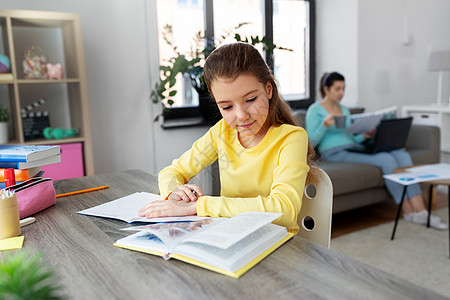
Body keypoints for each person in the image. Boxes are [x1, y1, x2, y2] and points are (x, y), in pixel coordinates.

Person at [139, 42, 316, 234]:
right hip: (229, 236)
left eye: (250, 100)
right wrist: (174, 192)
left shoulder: (291, 138)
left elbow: (284, 210)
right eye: (227, 107)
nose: (241, 115)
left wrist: (199, 206)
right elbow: (172, 171)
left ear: (268, 90)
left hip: (276, 244)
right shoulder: (222, 132)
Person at [305, 71, 447, 230]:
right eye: (337, 89)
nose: (341, 93)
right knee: (386, 159)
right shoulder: (314, 110)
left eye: (343, 88)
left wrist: (364, 136)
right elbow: (310, 142)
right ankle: (407, 210)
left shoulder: (344, 110)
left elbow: (350, 137)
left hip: (354, 147)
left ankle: (420, 210)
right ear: (326, 89)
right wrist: (324, 126)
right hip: (334, 152)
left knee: (402, 154)